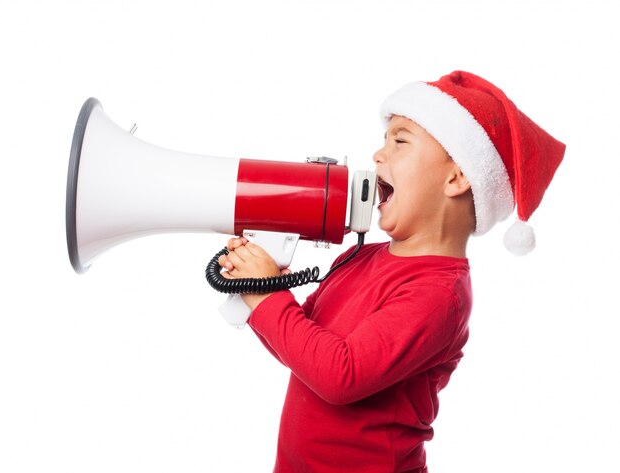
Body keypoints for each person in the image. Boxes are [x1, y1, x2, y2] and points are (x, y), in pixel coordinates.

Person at [218, 71, 565, 473]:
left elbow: (338, 376)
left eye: (399, 141)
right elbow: (301, 349)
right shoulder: (363, 258)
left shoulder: (440, 294)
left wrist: (266, 295)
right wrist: (261, 286)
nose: (378, 156)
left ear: (457, 177)